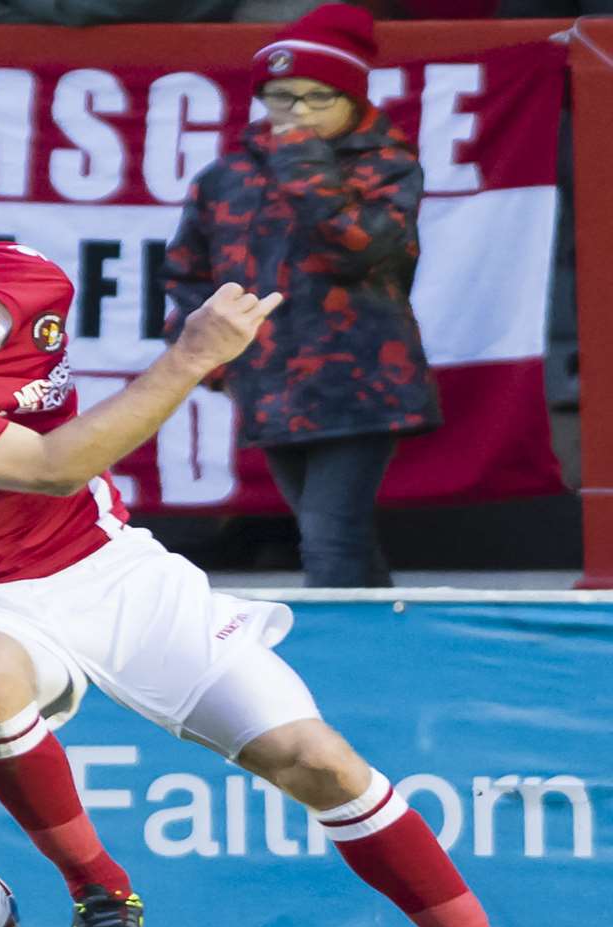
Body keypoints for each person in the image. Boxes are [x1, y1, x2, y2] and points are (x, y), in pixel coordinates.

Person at [0, 189, 585, 927]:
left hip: (104, 565)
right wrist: (192, 355)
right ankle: (101, 890)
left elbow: (57, 467)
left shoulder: (37, 281)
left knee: (320, 762)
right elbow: (53, 466)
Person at [163, 4, 439, 588]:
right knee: (336, 536)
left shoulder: (388, 165)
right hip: (267, 381)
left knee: (328, 536)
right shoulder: (225, 176)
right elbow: (188, 272)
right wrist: (204, 353)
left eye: (319, 97)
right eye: (283, 96)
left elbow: (358, 249)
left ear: (353, 100)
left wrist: (301, 161)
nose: (298, 112)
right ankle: (386, 647)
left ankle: (343, 667)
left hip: (362, 384)